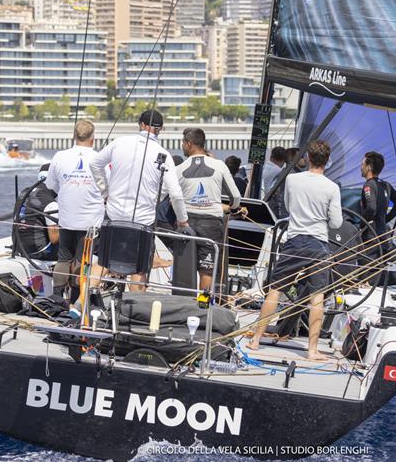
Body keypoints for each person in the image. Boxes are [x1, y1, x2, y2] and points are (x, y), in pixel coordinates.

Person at [248, 140, 342, 361]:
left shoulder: (292, 179)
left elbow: (289, 208)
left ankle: (255, 340)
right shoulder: (332, 187)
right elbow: (336, 223)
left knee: (276, 289)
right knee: (317, 297)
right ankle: (312, 351)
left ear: (308, 158)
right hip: (319, 244)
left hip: (294, 240)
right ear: (327, 161)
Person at [90, 109, 190, 290]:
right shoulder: (163, 154)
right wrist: (183, 222)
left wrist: (105, 192)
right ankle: (134, 313)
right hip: (142, 221)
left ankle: (82, 304)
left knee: (104, 262)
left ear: (141, 125)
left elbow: (95, 164)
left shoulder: (119, 143)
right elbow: (175, 193)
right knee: (138, 269)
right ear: (161, 129)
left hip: (114, 214)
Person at [45, 120, 106, 299]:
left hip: (67, 217)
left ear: (74, 136)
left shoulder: (60, 156)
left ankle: (57, 297)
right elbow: (107, 188)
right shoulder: (99, 158)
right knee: (82, 260)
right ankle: (76, 298)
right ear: (93, 138)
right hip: (90, 221)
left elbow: (51, 185)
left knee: (63, 258)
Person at [177, 128, 243, 291]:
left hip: (187, 223)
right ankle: (202, 307)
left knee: (184, 267)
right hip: (211, 223)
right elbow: (235, 197)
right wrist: (234, 209)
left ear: (189, 143)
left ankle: (186, 307)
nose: (182, 146)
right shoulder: (219, 165)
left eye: (183, 143)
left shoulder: (179, 169)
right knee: (207, 269)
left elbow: (170, 196)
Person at [15, 164, 59, 261]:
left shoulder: (24, 192)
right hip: (40, 253)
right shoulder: (50, 203)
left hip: (19, 248)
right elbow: (55, 238)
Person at [360, 151, 396, 239]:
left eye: (362, 165)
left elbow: (371, 208)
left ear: (368, 167)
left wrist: (361, 225)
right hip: (383, 235)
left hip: (370, 238)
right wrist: (385, 220)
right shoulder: (386, 185)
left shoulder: (369, 185)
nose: (361, 167)